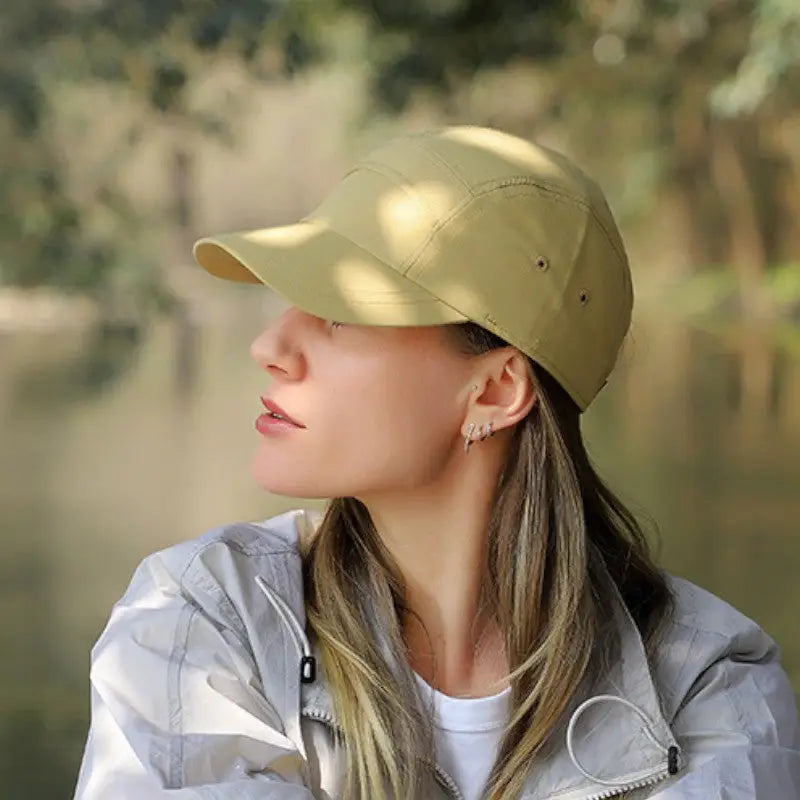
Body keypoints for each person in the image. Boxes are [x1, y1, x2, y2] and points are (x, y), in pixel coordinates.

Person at [73, 126, 800, 800]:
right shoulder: (201, 616)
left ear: (496, 389)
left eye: (339, 314)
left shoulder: (707, 688)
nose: (271, 347)